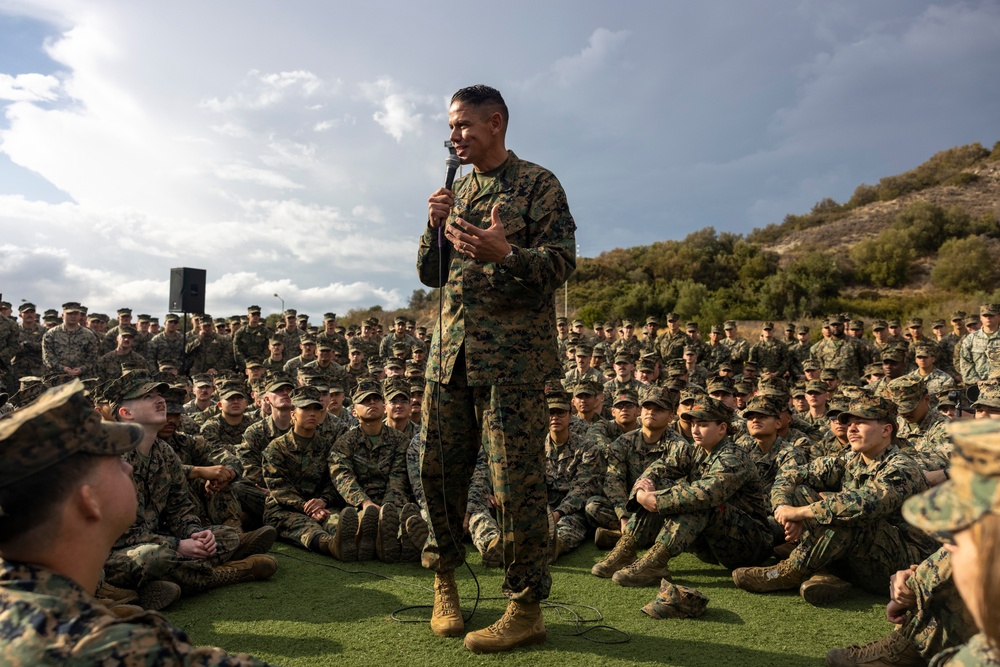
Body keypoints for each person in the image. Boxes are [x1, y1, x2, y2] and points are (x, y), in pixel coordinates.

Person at [417, 84, 576, 653]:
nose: (454, 136)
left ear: (496, 122)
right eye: (450, 128)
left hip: (512, 362)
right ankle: (445, 582)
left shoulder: (539, 184)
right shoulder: (454, 188)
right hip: (450, 358)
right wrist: (433, 226)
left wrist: (505, 255)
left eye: (463, 126)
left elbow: (561, 265)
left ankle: (525, 605)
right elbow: (430, 276)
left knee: (517, 486)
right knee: (438, 471)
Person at [0, 380, 276, 665]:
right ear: (88, 501)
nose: (127, 466)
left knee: (218, 537)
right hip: (137, 553)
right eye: (113, 461)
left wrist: (193, 533)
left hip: (151, 548)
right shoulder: (108, 648)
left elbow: (180, 507)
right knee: (151, 556)